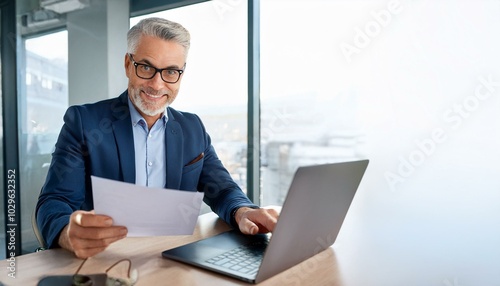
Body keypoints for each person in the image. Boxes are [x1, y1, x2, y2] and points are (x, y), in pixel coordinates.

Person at [35, 17, 279, 259]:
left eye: (170, 71)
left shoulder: (192, 127)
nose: (157, 84)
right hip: (104, 263)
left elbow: (222, 189)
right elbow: (55, 200)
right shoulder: (84, 122)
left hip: (172, 260)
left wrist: (243, 211)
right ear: (128, 65)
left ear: (181, 74)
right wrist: (67, 233)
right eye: (146, 67)